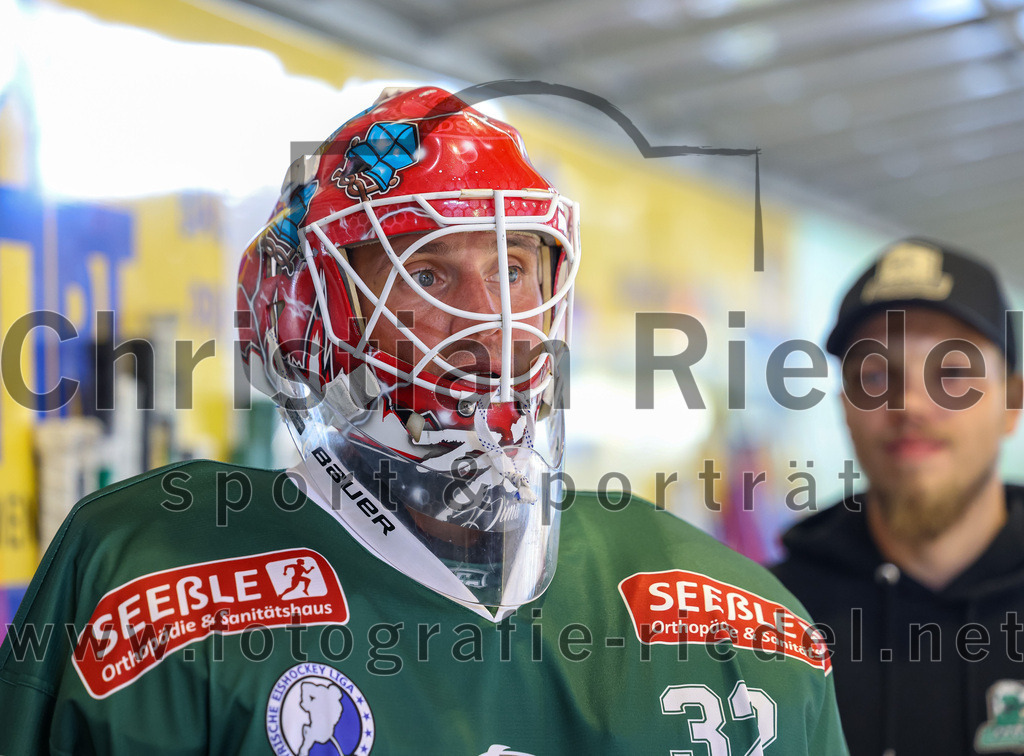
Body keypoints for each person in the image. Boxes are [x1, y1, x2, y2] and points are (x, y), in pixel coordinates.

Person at [0, 86, 847, 755]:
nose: (490, 319)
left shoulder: (738, 617)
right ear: (310, 314)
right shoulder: (151, 575)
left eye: (513, 267)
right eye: (429, 274)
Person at [772, 238, 1024, 756]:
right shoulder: (772, 618)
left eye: (952, 373)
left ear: (1011, 403)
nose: (907, 403)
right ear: (844, 406)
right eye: (874, 374)